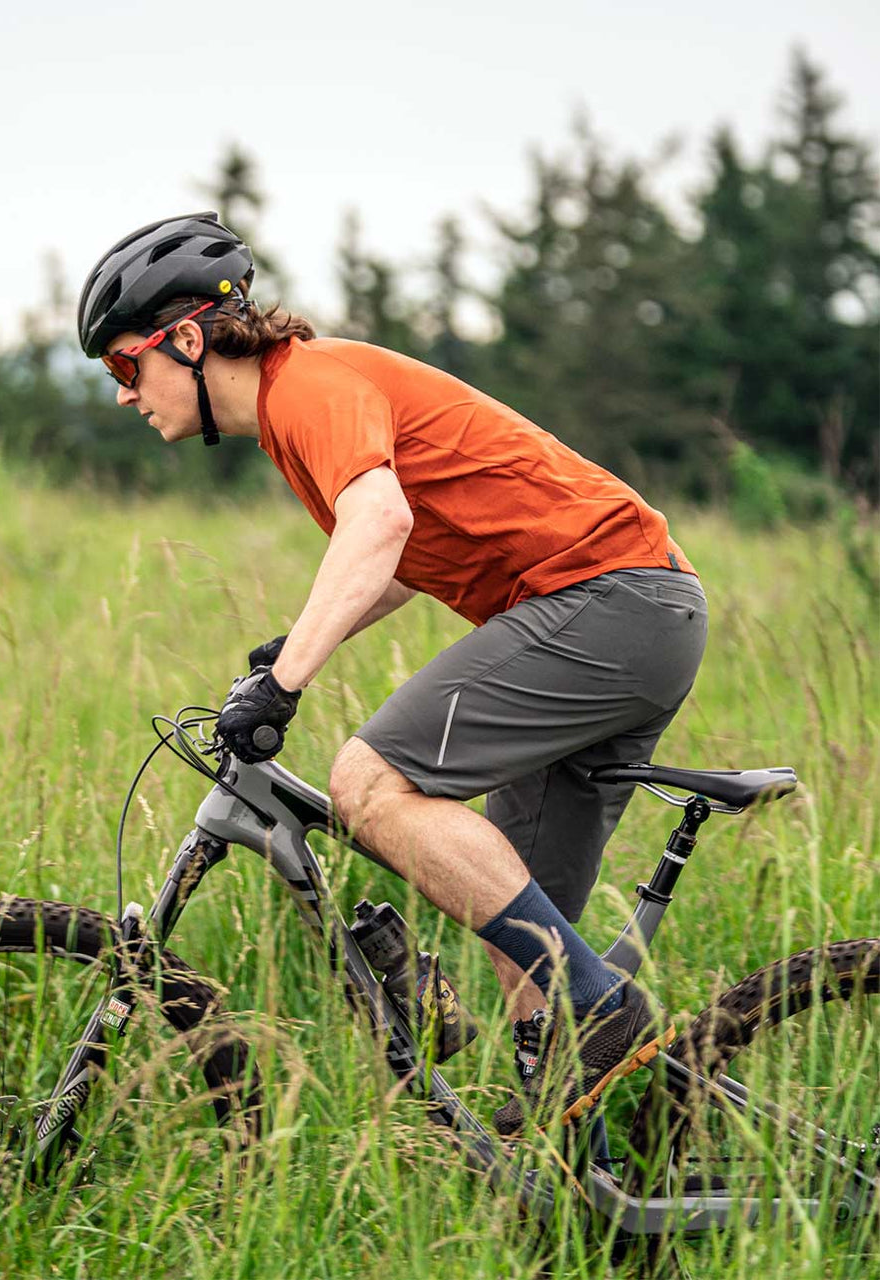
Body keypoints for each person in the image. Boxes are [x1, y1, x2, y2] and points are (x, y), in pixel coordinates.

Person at [77, 211, 708, 1132]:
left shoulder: (309, 386)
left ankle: (605, 1008)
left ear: (185, 339)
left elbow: (381, 528)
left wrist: (288, 682)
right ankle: (603, 1196)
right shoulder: (302, 411)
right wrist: (291, 646)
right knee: (526, 946)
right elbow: (405, 563)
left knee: (368, 783)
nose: (125, 395)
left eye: (123, 367)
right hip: (634, 616)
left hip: (608, 605)